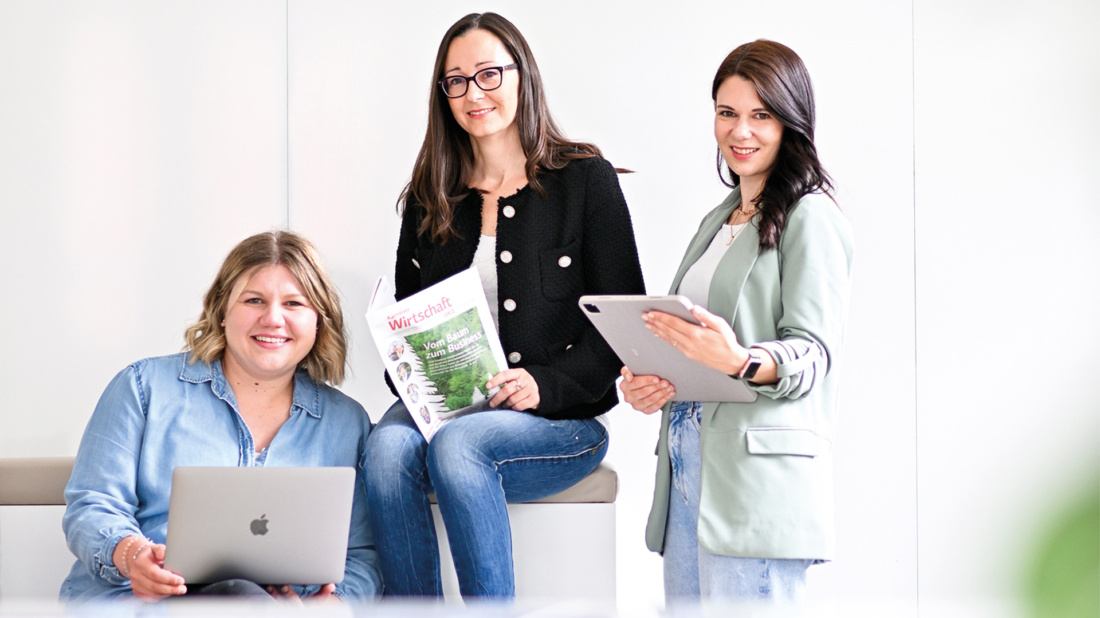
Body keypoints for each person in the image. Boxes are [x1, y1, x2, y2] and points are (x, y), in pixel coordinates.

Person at [363, 12, 645, 599]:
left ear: (523, 76)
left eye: (489, 73)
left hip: (559, 422)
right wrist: (413, 369)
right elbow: (404, 331)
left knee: (460, 446)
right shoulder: (429, 196)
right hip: (449, 410)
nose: (474, 93)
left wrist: (545, 383)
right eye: (456, 80)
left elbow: (623, 325)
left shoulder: (585, 180)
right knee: (386, 449)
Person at [620, 40, 854, 602]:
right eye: (727, 113)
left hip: (753, 482)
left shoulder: (811, 216)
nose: (739, 131)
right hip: (687, 459)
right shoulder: (719, 220)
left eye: (760, 115)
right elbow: (696, 342)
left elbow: (814, 354)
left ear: (791, 122)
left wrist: (741, 360)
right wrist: (654, 378)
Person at [60, 231, 382, 603]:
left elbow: (362, 556)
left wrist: (332, 605)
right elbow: (92, 504)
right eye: (254, 300)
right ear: (222, 312)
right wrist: (133, 557)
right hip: (143, 605)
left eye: (294, 304)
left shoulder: (346, 424)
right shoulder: (142, 388)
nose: (273, 318)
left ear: (318, 323)